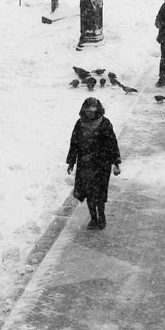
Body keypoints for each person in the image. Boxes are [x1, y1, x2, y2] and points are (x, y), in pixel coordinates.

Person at [66, 97, 121, 230]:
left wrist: (116, 162)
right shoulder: (80, 124)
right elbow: (74, 143)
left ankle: (102, 218)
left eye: (93, 111)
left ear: (98, 110)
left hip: (102, 164)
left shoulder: (104, 123)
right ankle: (93, 218)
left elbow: (112, 143)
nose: (90, 114)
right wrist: (71, 162)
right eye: (88, 111)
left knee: (99, 193)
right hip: (85, 164)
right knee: (89, 193)